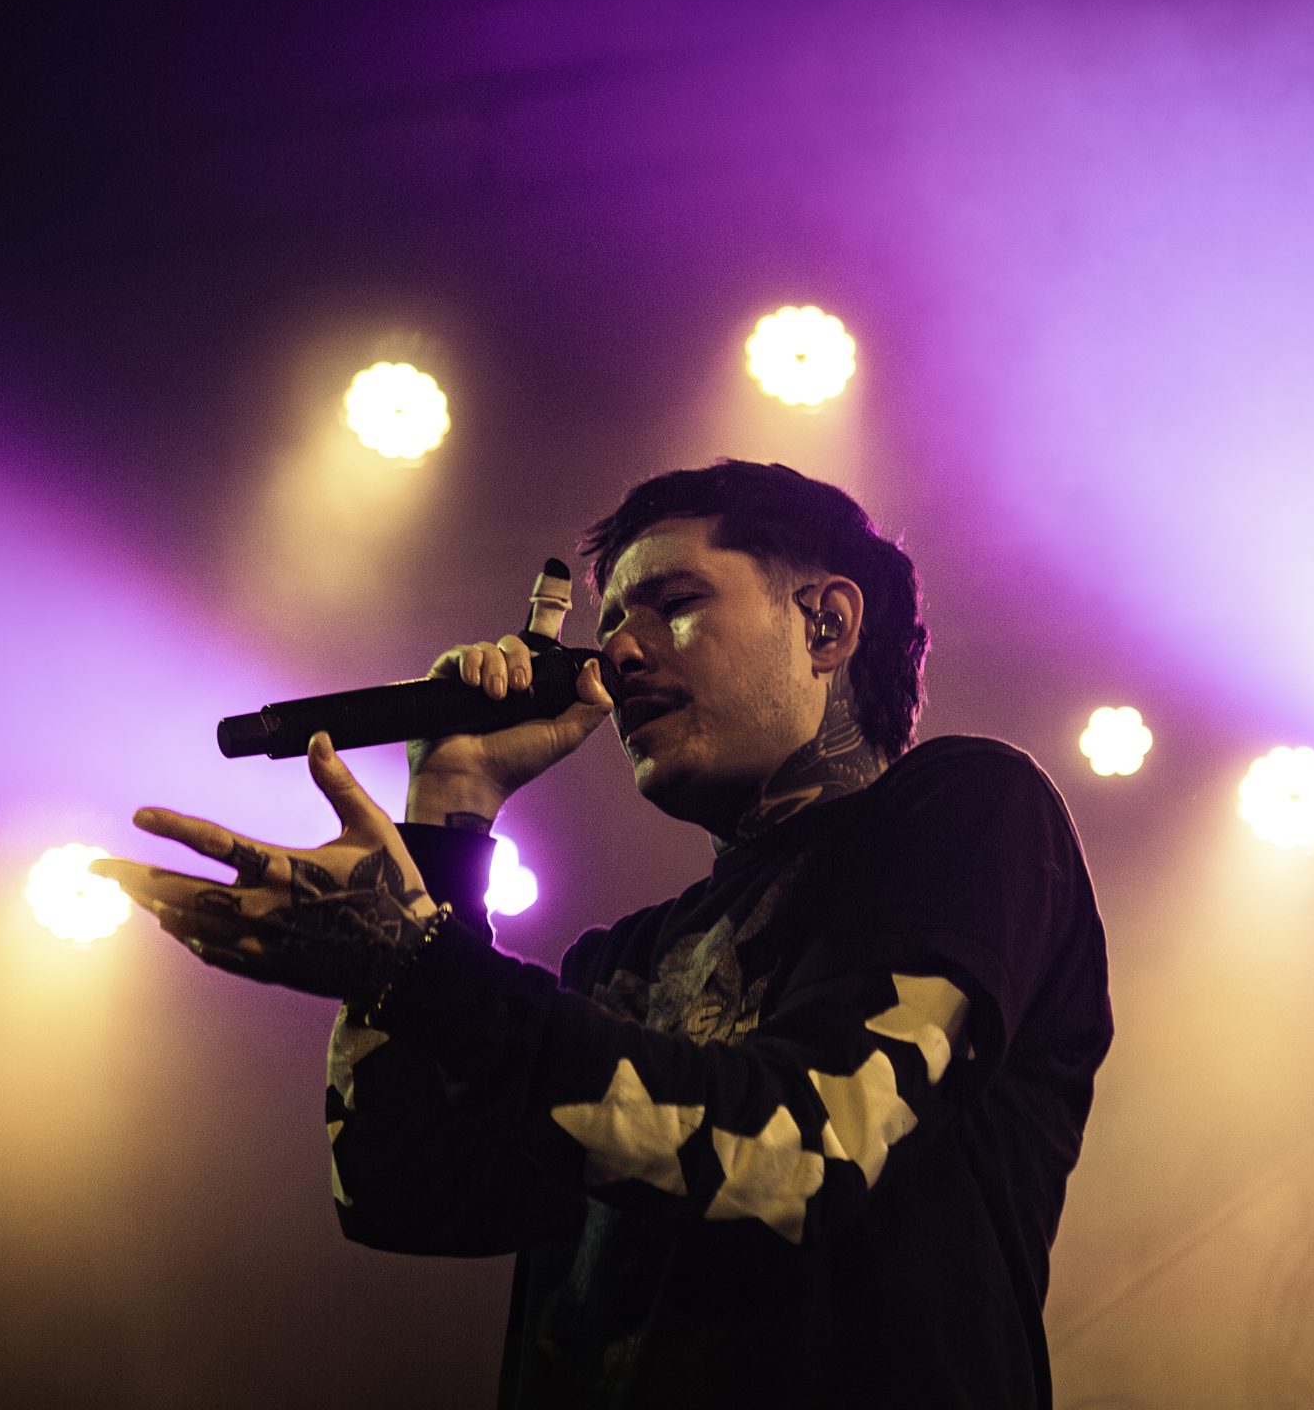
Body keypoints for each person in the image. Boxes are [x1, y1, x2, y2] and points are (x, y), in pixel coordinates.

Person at [96, 461, 1113, 1408]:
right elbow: (401, 1191)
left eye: (674, 604)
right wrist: (449, 809)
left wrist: (421, 966)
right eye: (612, 621)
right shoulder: (619, 963)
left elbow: (811, 1149)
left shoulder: (973, 809)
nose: (616, 654)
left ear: (827, 622)